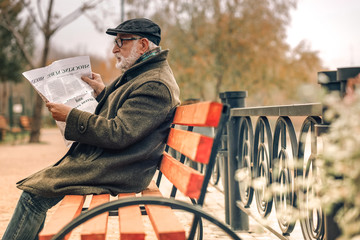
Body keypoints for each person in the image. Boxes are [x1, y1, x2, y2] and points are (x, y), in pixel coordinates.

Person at [2, 18, 180, 240]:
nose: (114, 49)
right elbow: (128, 116)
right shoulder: (144, 73)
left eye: (121, 42)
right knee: (36, 191)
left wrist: (71, 116)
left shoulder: (155, 84)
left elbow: (119, 132)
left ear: (143, 45)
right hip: (119, 161)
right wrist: (102, 92)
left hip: (122, 168)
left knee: (33, 196)